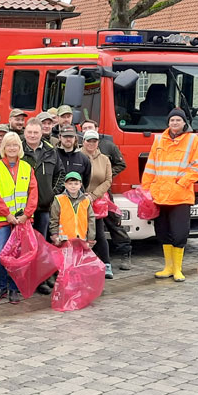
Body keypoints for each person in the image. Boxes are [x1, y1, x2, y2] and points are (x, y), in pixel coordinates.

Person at [142, 109, 198, 282]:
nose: (175, 123)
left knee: (179, 234)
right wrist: (146, 189)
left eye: (178, 120)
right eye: (172, 120)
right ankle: (168, 267)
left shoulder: (193, 140)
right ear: (168, 123)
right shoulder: (159, 139)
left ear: (184, 123)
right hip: (159, 195)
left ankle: (178, 269)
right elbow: (151, 167)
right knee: (162, 233)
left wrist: (182, 183)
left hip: (180, 196)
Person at [0, 132, 38, 305]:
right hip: (3, 221)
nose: (12, 148)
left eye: (15, 145)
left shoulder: (27, 168)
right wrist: (7, 215)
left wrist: (26, 215)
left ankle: (14, 288)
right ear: (3, 148)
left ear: (20, 148)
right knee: (0, 255)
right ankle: (1, 286)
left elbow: (33, 194)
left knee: (19, 257)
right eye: (9, 145)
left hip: (23, 222)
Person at [81, 119, 132, 270]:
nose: (87, 130)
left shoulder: (108, 146)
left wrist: (106, 176)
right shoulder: (79, 153)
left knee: (113, 223)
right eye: (84, 129)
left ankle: (125, 252)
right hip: (84, 197)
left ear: (97, 129)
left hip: (103, 195)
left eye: (90, 127)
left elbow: (120, 164)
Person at [23, 118, 64, 240]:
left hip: (44, 206)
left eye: (36, 132)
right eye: (29, 132)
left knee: (41, 240)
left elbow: (60, 173)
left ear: (41, 133)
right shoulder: (17, 150)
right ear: (25, 132)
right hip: (23, 206)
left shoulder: (51, 151)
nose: (32, 135)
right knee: (24, 242)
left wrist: (52, 193)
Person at [80, 130, 114, 278]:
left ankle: (106, 264)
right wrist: (81, 194)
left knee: (98, 234)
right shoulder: (77, 156)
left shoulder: (105, 159)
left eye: (94, 141)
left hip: (96, 202)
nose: (91, 144)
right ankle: (83, 264)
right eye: (88, 141)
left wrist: (93, 196)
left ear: (98, 142)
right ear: (83, 141)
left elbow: (108, 180)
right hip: (79, 200)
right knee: (79, 234)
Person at [49, 172, 96, 248]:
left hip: (81, 239)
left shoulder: (86, 200)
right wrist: (55, 235)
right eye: (70, 183)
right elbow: (54, 219)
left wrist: (91, 238)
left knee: (79, 259)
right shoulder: (59, 199)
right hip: (63, 240)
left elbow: (91, 220)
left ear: (80, 185)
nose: (73, 186)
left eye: (76, 183)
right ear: (65, 185)